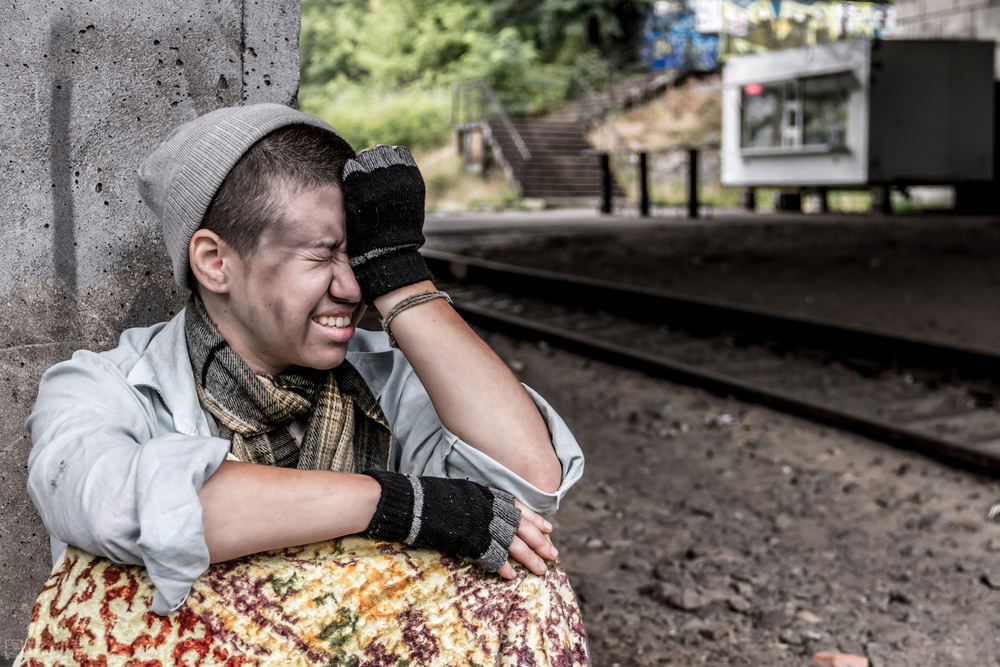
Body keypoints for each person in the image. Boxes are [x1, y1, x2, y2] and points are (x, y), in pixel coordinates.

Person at [19, 104, 587, 665]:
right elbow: (132, 507)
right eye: (321, 256)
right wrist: (393, 500)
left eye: (359, 256)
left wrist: (399, 277)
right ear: (215, 261)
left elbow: (530, 483)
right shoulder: (100, 387)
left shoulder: (386, 376)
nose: (350, 288)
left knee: (530, 583)